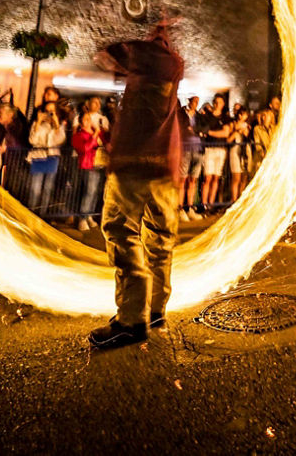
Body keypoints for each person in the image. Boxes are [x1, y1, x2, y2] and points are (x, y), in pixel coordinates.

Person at [88, 22, 186, 349]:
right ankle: (157, 309)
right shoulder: (175, 65)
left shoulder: (142, 54)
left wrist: (133, 48)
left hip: (133, 161)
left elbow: (103, 54)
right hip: (165, 165)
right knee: (160, 236)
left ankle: (131, 319)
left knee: (120, 229)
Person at [71, 97, 110, 231]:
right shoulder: (79, 136)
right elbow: (84, 148)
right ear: (81, 123)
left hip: (99, 164)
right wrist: (94, 137)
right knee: (89, 191)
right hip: (88, 165)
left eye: (90, 119)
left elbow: (105, 143)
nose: (89, 121)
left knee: (95, 192)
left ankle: (89, 215)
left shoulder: (96, 133)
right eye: (86, 120)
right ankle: (82, 218)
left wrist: (99, 135)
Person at [25, 101, 66, 215]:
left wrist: (56, 124)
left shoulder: (59, 125)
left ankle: (42, 215)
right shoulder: (37, 124)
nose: (49, 114)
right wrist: (38, 122)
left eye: (52, 111)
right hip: (39, 157)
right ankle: (31, 213)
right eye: (46, 111)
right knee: (35, 189)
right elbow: (32, 141)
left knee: (48, 189)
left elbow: (60, 140)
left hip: (52, 158)